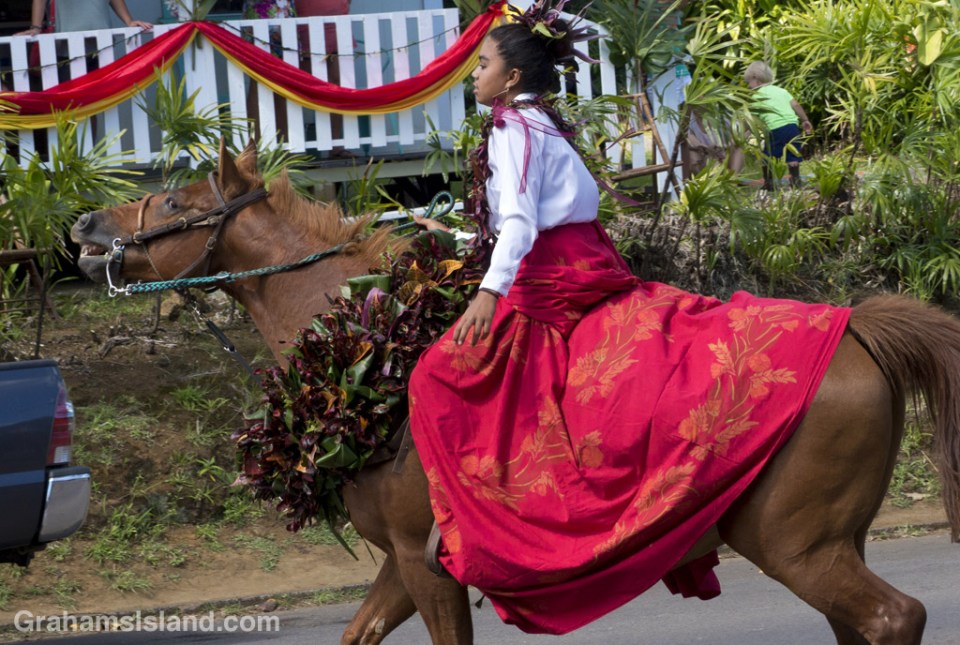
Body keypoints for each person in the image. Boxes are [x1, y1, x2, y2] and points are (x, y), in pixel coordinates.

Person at [744, 60, 812, 189]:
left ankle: (768, 183)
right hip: (792, 127)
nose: (748, 86)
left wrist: (744, 132)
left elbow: (750, 119)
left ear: (755, 78)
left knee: (767, 157)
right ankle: (795, 181)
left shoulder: (756, 96)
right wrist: (805, 120)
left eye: (748, 82)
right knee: (793, 156)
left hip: (775, 129)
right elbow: (796, 105)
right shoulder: (781, 91)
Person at [18, 0, 152, 35]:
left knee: (103, 96)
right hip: (67, 46)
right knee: (72, 100)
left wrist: (129, 21)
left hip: (102, 43)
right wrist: (35, 28)